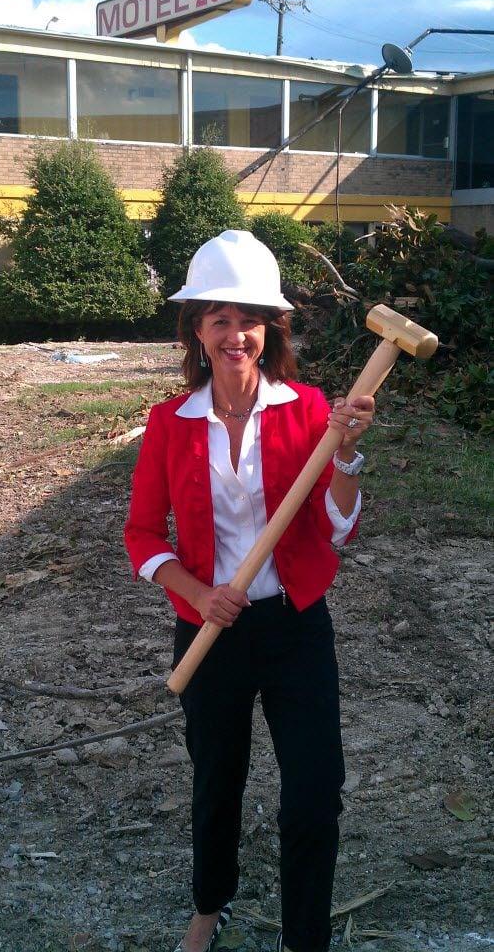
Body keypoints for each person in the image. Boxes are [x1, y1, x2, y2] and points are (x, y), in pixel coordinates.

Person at [124, 230, 375, 952]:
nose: (236, 335)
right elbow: (143, 534)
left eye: (250, 320)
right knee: (216, 782)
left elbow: (334, 530)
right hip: (212, 630)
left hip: (295, 626)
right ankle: (211, 903)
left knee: (314, 790)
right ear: (197, 331)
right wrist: (196, 594)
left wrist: (348, 455)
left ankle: (306, 936)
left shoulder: (307, 411)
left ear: (271, 330)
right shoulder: (171, 423)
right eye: (220, 320)